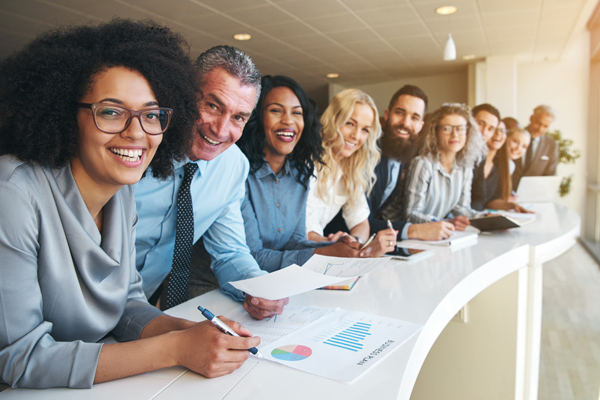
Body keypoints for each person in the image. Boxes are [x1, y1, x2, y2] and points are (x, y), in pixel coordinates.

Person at [0, 19, 258, 389]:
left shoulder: (119, 192)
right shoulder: (12, 191)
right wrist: (175, 348)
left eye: (151, 114)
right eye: (111, 111)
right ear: (65, 113)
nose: (136, 132)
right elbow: (19, 359)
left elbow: (125, 303)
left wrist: (190, 332)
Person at [134, 45, 288, 319]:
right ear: (185, 94)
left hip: (138, 311)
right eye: (213, 106)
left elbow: (229, 253)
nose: (220, 130)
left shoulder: (233, 166)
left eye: (238, 117)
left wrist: (258, 286)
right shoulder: (136, 147)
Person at [236, 75, 361, 272]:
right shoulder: (239, 174)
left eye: (297, 113)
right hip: (218, 288)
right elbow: (253, 256)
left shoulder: (300, 173)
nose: (288, 121)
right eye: (276, 111)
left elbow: (293, 241)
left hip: (272, 283)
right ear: (258, 117)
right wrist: (321, 254)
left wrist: (336, 247)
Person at [329, 84, 455, 241]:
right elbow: (356, 219)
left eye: (414, 118)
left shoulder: (402, 153)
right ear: (387, 114)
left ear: (420, 125)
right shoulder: (362, 151)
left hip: (360, 241)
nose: (405, 123)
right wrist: (414, 231)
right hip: (332, 239)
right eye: (400, 113)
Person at [306, 89, 396, 256]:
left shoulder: (350, 170)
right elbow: (303, 233)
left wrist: (356, 241)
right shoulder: (306, 164)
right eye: (350, 123)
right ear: (334, 119)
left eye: (365, 129)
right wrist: (336, 243)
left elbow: (361, 223)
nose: (356, 136)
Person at [403, 103, 486, 230]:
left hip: (439, 235)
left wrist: (486, 217)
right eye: (447, 128)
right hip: (412, 236)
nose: (455, 134)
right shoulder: (422, 164)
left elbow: (461, 208)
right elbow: (411, 215)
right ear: (435, 132)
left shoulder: (465, 166)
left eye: (460, 128)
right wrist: (442, 223)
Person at [511, 105, 559, 189]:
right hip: (507, 192)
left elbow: (550, 175)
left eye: (545, 126)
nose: (540, 129)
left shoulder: (551, 145)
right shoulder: (513, 136)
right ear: (531, 118)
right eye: (538, 123)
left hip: (534, 194)